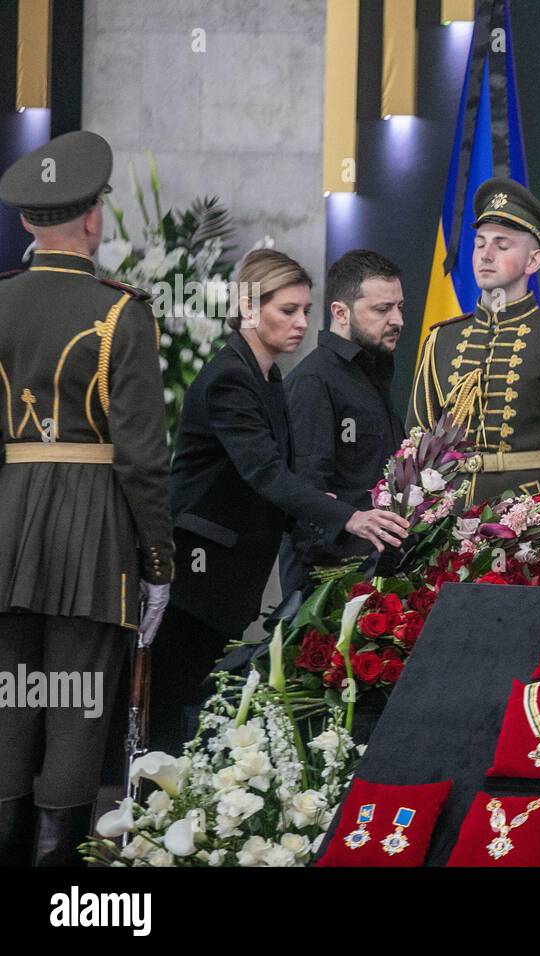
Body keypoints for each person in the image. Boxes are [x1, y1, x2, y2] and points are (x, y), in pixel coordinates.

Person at [151, 249, 409, 755]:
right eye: (286, 310)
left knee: (195, 720)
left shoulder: (265, 377)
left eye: (304, 310)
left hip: (228, 577)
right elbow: (266, 473)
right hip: (198, 576)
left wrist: (329, 503)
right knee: (173, 721)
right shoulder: (231, 377)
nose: (299, 323)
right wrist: (349, 515)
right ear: (249, 308)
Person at [0, 131, 173, 866]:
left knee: (9, 698)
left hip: (7, 522)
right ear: (94, 220)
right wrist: (158, 559)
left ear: (25, 223)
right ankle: (54, 863)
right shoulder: (119, 312)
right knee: (75, 703)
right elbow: (141, 459)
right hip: (92, 531)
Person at [408, 177, 540, 525]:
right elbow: (417, 443)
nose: (486, 253)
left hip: (530, 518)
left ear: (533, 261)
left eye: (502, 244)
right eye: (480, 242)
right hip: (448, 518)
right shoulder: (442, 339)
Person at [278, 250, 406, 596]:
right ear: (340, 312)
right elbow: (307, 498)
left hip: (376, 574)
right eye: (382, 309)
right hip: (331, 588)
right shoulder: (314, 382)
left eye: (399, 307)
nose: (397, 320)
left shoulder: (372, 374)